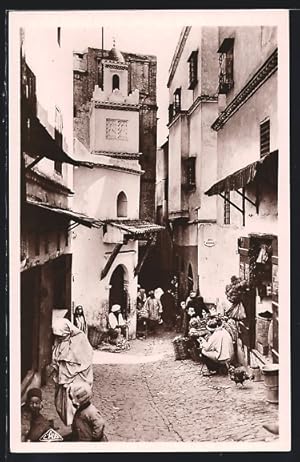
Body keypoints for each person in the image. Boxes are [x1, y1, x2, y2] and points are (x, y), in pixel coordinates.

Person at [52, 318, 93, 426]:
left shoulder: (80, 340)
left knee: (75, 405)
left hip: (76, 380)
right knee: (61, 405)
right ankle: (71, 425)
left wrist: (72, 369)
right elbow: (56, 358)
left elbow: (85, 360)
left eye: (61, 336)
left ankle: (78, 427)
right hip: (63, 380)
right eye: (57, 336)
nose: (59, 338)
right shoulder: (60, 342)